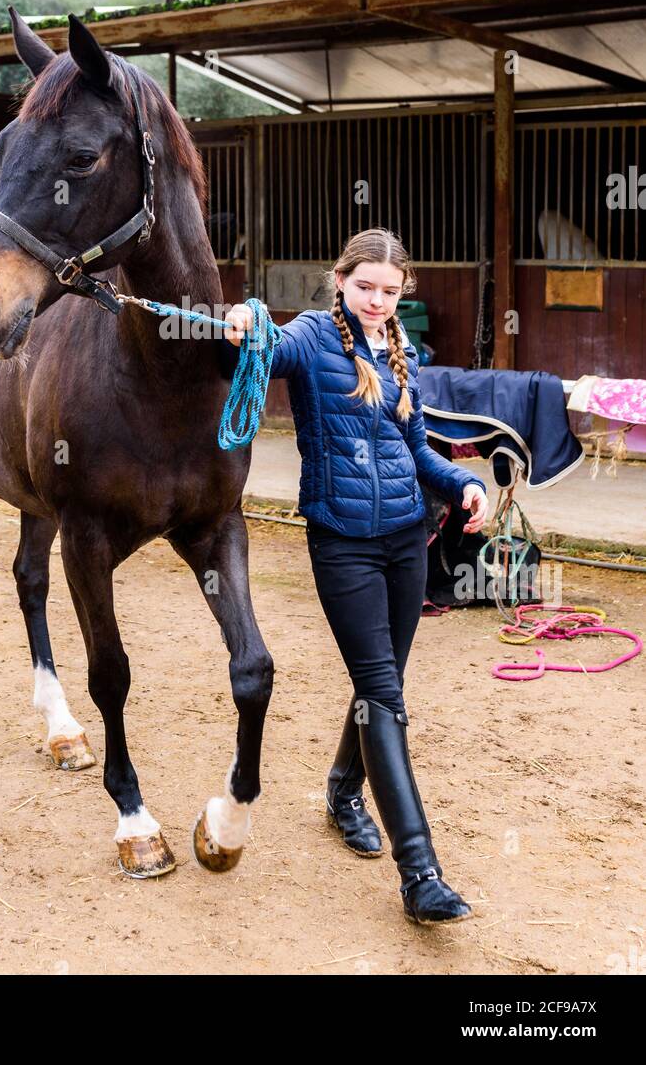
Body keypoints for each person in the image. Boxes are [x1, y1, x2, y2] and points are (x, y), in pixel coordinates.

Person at [221, 228, 489, 925]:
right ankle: (420, 874)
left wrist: (461, 481)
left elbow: (416, 449)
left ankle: (342, 791)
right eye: (364, 286)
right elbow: (264, 354)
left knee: (383, 685)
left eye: (389, 291)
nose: (375, 300)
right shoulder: (312, 335)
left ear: (403, 294)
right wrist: (247, 321)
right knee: (381, 692)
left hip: (408, 539)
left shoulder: (402, 356)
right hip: (342, 543)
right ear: (338, 280)